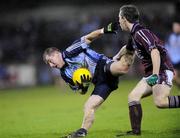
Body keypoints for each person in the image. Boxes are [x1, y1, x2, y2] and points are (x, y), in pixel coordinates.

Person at [43, 23, 134, 138]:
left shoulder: (70, 51)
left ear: (57, 54)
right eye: (48, 64)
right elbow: (81, 91)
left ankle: (131, 47)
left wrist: (104, 30)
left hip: (102, 66)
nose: (51, 65)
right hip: (100, 82)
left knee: (123, 68)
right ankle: (82, 132)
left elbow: (89, 37)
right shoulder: (64, 74)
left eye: (51, 61)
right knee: (88, 106)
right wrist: (83, 87)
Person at [118, 4, 180, 135]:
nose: (118, 21)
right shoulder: (134, 35)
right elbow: (127, 48)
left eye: (119, 18)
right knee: (133, 97)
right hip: (151, 73)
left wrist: (156, 75)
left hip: (161, 70)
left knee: (160, 102)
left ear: (124, 18)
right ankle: (135, 132)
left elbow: (155, 52)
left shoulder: (141, 32)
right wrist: (115, 57)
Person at [165, 18, 180, 88]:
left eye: (177, 26)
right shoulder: (170, 36)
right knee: (174, 77)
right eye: (174, 26)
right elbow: (167, 47)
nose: (175, 28)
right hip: (174, 60)